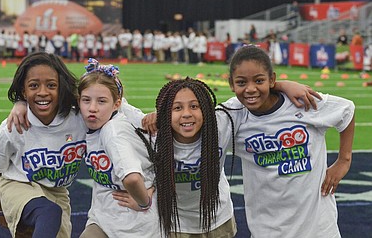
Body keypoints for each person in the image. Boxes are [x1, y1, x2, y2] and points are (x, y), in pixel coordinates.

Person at [131, 78, 319, 238]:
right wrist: (142, 196)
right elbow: (118, 107)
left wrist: (282, 85)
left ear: (206, 109)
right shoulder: (153, 135)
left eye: (195, 106)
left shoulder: (222, 122)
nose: (186, 114)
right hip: (174, 224)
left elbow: (248, 93)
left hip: (218, 221)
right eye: (177, 108)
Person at [223, 45, 355, 237]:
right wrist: (281, 84)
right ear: (231, 84)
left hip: (319, 228)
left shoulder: (303, 102)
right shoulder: (234, 115)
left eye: (259, 80)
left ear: (272, 79)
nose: (251, 89)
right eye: (242, 82)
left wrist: (344, 160)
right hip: (267, 230)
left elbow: (347, 110)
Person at [0, 52, 87, 238]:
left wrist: (151, 118)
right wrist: (0, 208)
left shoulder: (80, 119)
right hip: (16, 183)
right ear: (23, 91)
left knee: (52, 218)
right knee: (49, 212)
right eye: (34, 86)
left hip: (57, 191)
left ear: (62, 88)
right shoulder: (12, 127)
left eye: (51, 85)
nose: (43, 92)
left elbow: (111, 104)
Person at [78, 59, 160, 238]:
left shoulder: (112, 132)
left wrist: (145, 202)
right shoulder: (104, 113)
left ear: (116, 104)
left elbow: (131, 179)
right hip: (103, 219)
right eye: (86, 100)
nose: (92, 108)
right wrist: (21, 104)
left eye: (101, 102)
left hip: (136, 226)